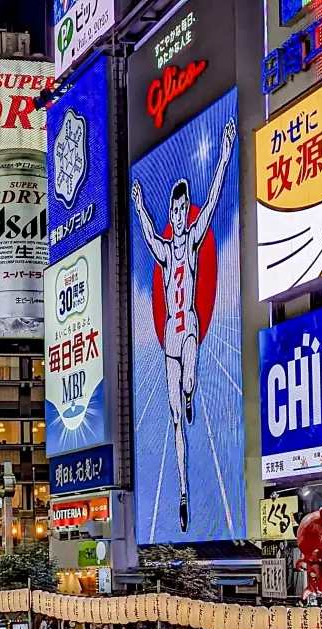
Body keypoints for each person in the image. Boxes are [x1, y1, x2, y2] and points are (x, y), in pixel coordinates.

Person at [131, 114, 238, 531]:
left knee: (190, 377)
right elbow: (145, 235)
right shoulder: (163, 248)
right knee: (176, 419)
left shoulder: (191, 241)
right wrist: (140, 205)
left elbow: (212, 201)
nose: (177, 215)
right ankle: (182, 494)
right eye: (174, 210)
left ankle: (193, 391)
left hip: (188, 324)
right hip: (167, 338)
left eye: (180, 209)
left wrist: (225, 154)